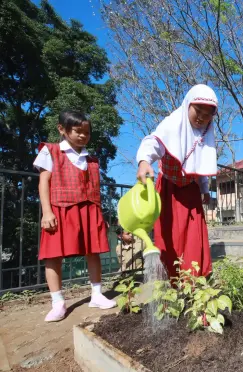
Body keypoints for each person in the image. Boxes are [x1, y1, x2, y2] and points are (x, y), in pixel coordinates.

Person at [34, 111, 116, 322]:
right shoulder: (50, 151)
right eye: (78, 131)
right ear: (62, 129)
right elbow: (44, 182)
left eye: (87, 132)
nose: (83, 136)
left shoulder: (91, 159)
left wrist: (99, 212)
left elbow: (94, 188)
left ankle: (97, 295)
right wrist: (47, 211)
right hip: (60, 208)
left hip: (89, 209)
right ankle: (57, 302)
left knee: (93, 252)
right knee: (53, 255)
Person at [136, 84, 216, 279]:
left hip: (191, 192)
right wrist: (144, 161)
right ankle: (170, 282)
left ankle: (193, 282)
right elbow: (153, 142)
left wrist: (205, 189)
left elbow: (201, 166)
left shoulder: (205, 135)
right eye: (198, 111)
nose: (201, 118)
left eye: (207, 115)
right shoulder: (172, 124)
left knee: (193, 238)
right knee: (169, 236)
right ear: (188, 105)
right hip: (168, 190)